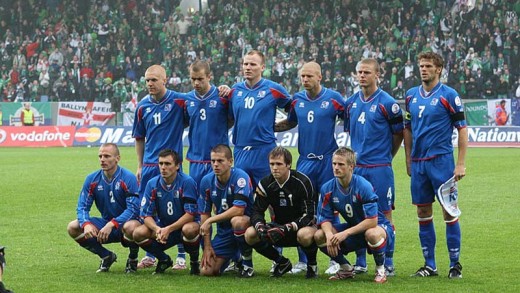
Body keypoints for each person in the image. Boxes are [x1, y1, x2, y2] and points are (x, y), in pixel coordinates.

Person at [275, 61, 345, 275]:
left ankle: (334, 259)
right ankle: (303, 260)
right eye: (302, 76)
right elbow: (291, 122)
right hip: (305, 160)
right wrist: (271, 127)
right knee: (302, 208)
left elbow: (349, 120)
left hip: (327, 160)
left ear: (320, 77)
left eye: (309, 76)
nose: (305, 80)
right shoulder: (297, 100)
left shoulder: (334, 99)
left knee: (331, 206)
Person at [403, 51, 467, 279]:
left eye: (428, 66)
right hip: (419, 164)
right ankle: (430, 265)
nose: (423, 69)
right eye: (421, 65)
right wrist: (408, 159)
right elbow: (407, 129)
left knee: (449, 212)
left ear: (438, 69)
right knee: (422, 211)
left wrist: (460, 163)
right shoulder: (411, 96)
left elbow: (462, 129)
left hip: (441, 162)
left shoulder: (449, 95)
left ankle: (454, 264)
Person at [344, 58, 404, 276]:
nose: (362, 75)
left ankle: (388, 261)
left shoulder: (388, 103)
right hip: (356, 168)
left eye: (367, 72)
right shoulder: (350, 103)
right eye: (359, 72)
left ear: (378, 75)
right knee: (358, 214)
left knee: (385, 215)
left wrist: (388, 156)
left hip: (379, 168)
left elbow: (399, 133)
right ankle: (361, 261)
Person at [132, 64, 187, 269]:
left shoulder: (179, 101)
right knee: (149, 209)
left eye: (154, 80)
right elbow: (139, 138)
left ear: (165, 79)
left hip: (172, 166)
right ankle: (151, 254)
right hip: (149, 166)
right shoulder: (142, 106)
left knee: (178, 208)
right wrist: (139, 165)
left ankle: (181, 255)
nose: (150, 84)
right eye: (147, 80)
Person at [314, 147, 393, 283]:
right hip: (355, 229)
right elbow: (325, 218)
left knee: (372, 234)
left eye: (341, 164)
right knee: (319, 235)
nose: (336, 167)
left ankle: (381, 269)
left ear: (351, 166)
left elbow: (372, 222)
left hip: (379, 228)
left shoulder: (363, 186)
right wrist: (329, 235)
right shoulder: (327, 188)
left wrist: (345, 233)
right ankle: (346, 268)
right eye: (334, 164)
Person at [244, 147, 318, 279]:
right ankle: (281, 262)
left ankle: (312, 266)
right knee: (250, 234)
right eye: (272, 164)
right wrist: (260, 226)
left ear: (288, 164)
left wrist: (287, 228)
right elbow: (256, 211)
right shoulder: (265, 184)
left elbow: (309, 215)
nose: (274, 168)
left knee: (305, 235)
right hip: (277, 227)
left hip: (299, 228)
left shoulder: (303, 182)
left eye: (279, 164)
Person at [66, 143, 140, 273]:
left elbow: (133, 209)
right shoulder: (92, 179)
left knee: (132, 227)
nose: (102, 159)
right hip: (106, 223)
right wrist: (86, 223)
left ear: (117, 158)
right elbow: (82, 206)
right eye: (100, 156)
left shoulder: (128, 178)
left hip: (125, 224)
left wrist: (112, 224)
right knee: (73, 227)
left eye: (107, 156)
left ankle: (133, 259)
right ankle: (106, 256)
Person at [130, 149, 201, 275]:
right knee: (138, 233)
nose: (163, 167)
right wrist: (157, 229)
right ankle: (164, 259)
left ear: (177, 166)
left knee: (189, 229)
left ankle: (194, 262)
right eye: (161, 163)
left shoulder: (187, 182)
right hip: (164, 228)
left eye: (167, 164)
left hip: (183, 227)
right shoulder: (153, 183)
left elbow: (190, 215)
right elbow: (146, 215)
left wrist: (169, 229)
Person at [229, 50, 292, 187]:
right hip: (240, 150)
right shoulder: (234, 90)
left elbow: (293, 110)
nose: (248, 67)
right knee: (242, 198)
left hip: (264, 151)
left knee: (271, 197)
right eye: (245, 64)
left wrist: (279, 126)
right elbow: (229, 118)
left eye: (252, 64)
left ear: (262, 67)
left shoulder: (274, 89)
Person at [198, 144, 255, 277]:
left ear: (230, 162)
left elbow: (239, 210)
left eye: (220, 161)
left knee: (238, 222)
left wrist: (212, 220)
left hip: (248, 228)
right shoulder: (206, 181)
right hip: (224, 233)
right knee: (207, 271)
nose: (216, 164)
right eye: (213, 161)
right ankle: (236, 258)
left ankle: (248, 265)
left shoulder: (241, 177)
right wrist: (207, 246)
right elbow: (204, 215)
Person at [184, 60, 231, 185]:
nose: (196, 83)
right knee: (196, 199)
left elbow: (232, 120)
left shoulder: (223, 97)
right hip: (195, 160)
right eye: (193, 79)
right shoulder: (187, 99)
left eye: (200, 79)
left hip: (218, 160)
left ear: (209, 77)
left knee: (220, 199)